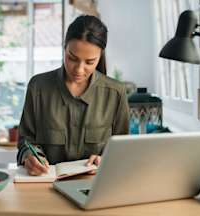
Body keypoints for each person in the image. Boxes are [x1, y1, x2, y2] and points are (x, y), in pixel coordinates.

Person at [17, 15, 129, 176]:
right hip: (46, 184)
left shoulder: (116, 93)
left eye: (89, 62)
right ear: (64, 48)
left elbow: (123, 149)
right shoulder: (38, 87)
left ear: (100, 56)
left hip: (96, 185)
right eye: (72, 58)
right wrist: (30, 156)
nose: (79, 69)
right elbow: (26, 140)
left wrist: (107, 159)